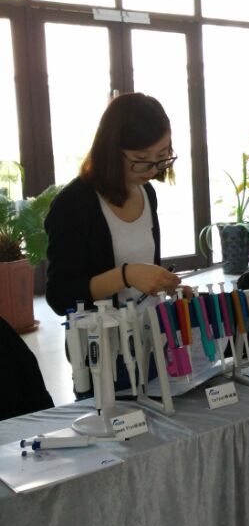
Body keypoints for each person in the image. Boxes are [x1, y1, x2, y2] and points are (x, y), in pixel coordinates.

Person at [45, 92, 181, 392]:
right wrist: (126, 275)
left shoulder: (146, 192)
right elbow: (60, 296)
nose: (153, 169)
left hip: (150, 337)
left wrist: (162, 283)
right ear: (111, 151)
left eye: (162, 156)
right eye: (141, 160)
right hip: (103, 351)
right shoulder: (74, 204)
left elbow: (146, 269)